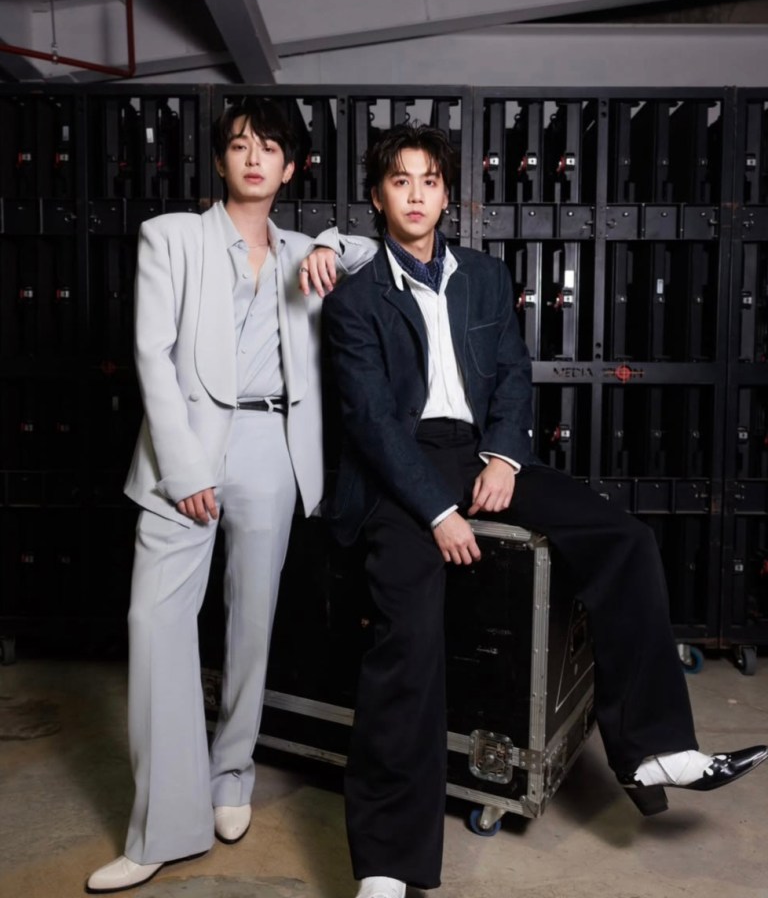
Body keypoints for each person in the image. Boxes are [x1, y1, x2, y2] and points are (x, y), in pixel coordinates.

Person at [320, 123, 768, 898]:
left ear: (447, 195)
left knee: (623, 537)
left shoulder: (486, 277)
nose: (417, 194)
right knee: (408, 639)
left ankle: (655, 749)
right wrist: (437, 512)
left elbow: (512, 375)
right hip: (402, 470)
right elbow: (371, 422)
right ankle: (389, 865)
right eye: (400, 180)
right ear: (377, 196)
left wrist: (503, 456)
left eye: (430, 180)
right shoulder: (355, 300)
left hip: (480, 451)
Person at [86, 98, 375, 894]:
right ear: (220, 161)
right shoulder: (171, 236)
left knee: (252, 623)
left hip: (271, 444)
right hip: (183, 448)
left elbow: (366, 251)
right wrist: (185, 471)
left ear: (291, 168)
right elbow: (152, 356)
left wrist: (327, 242)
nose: (253, 157)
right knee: (155, 626)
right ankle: (162, 828)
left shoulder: (302, 249)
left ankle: (231, 774)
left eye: (270, 147)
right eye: (240, 145)